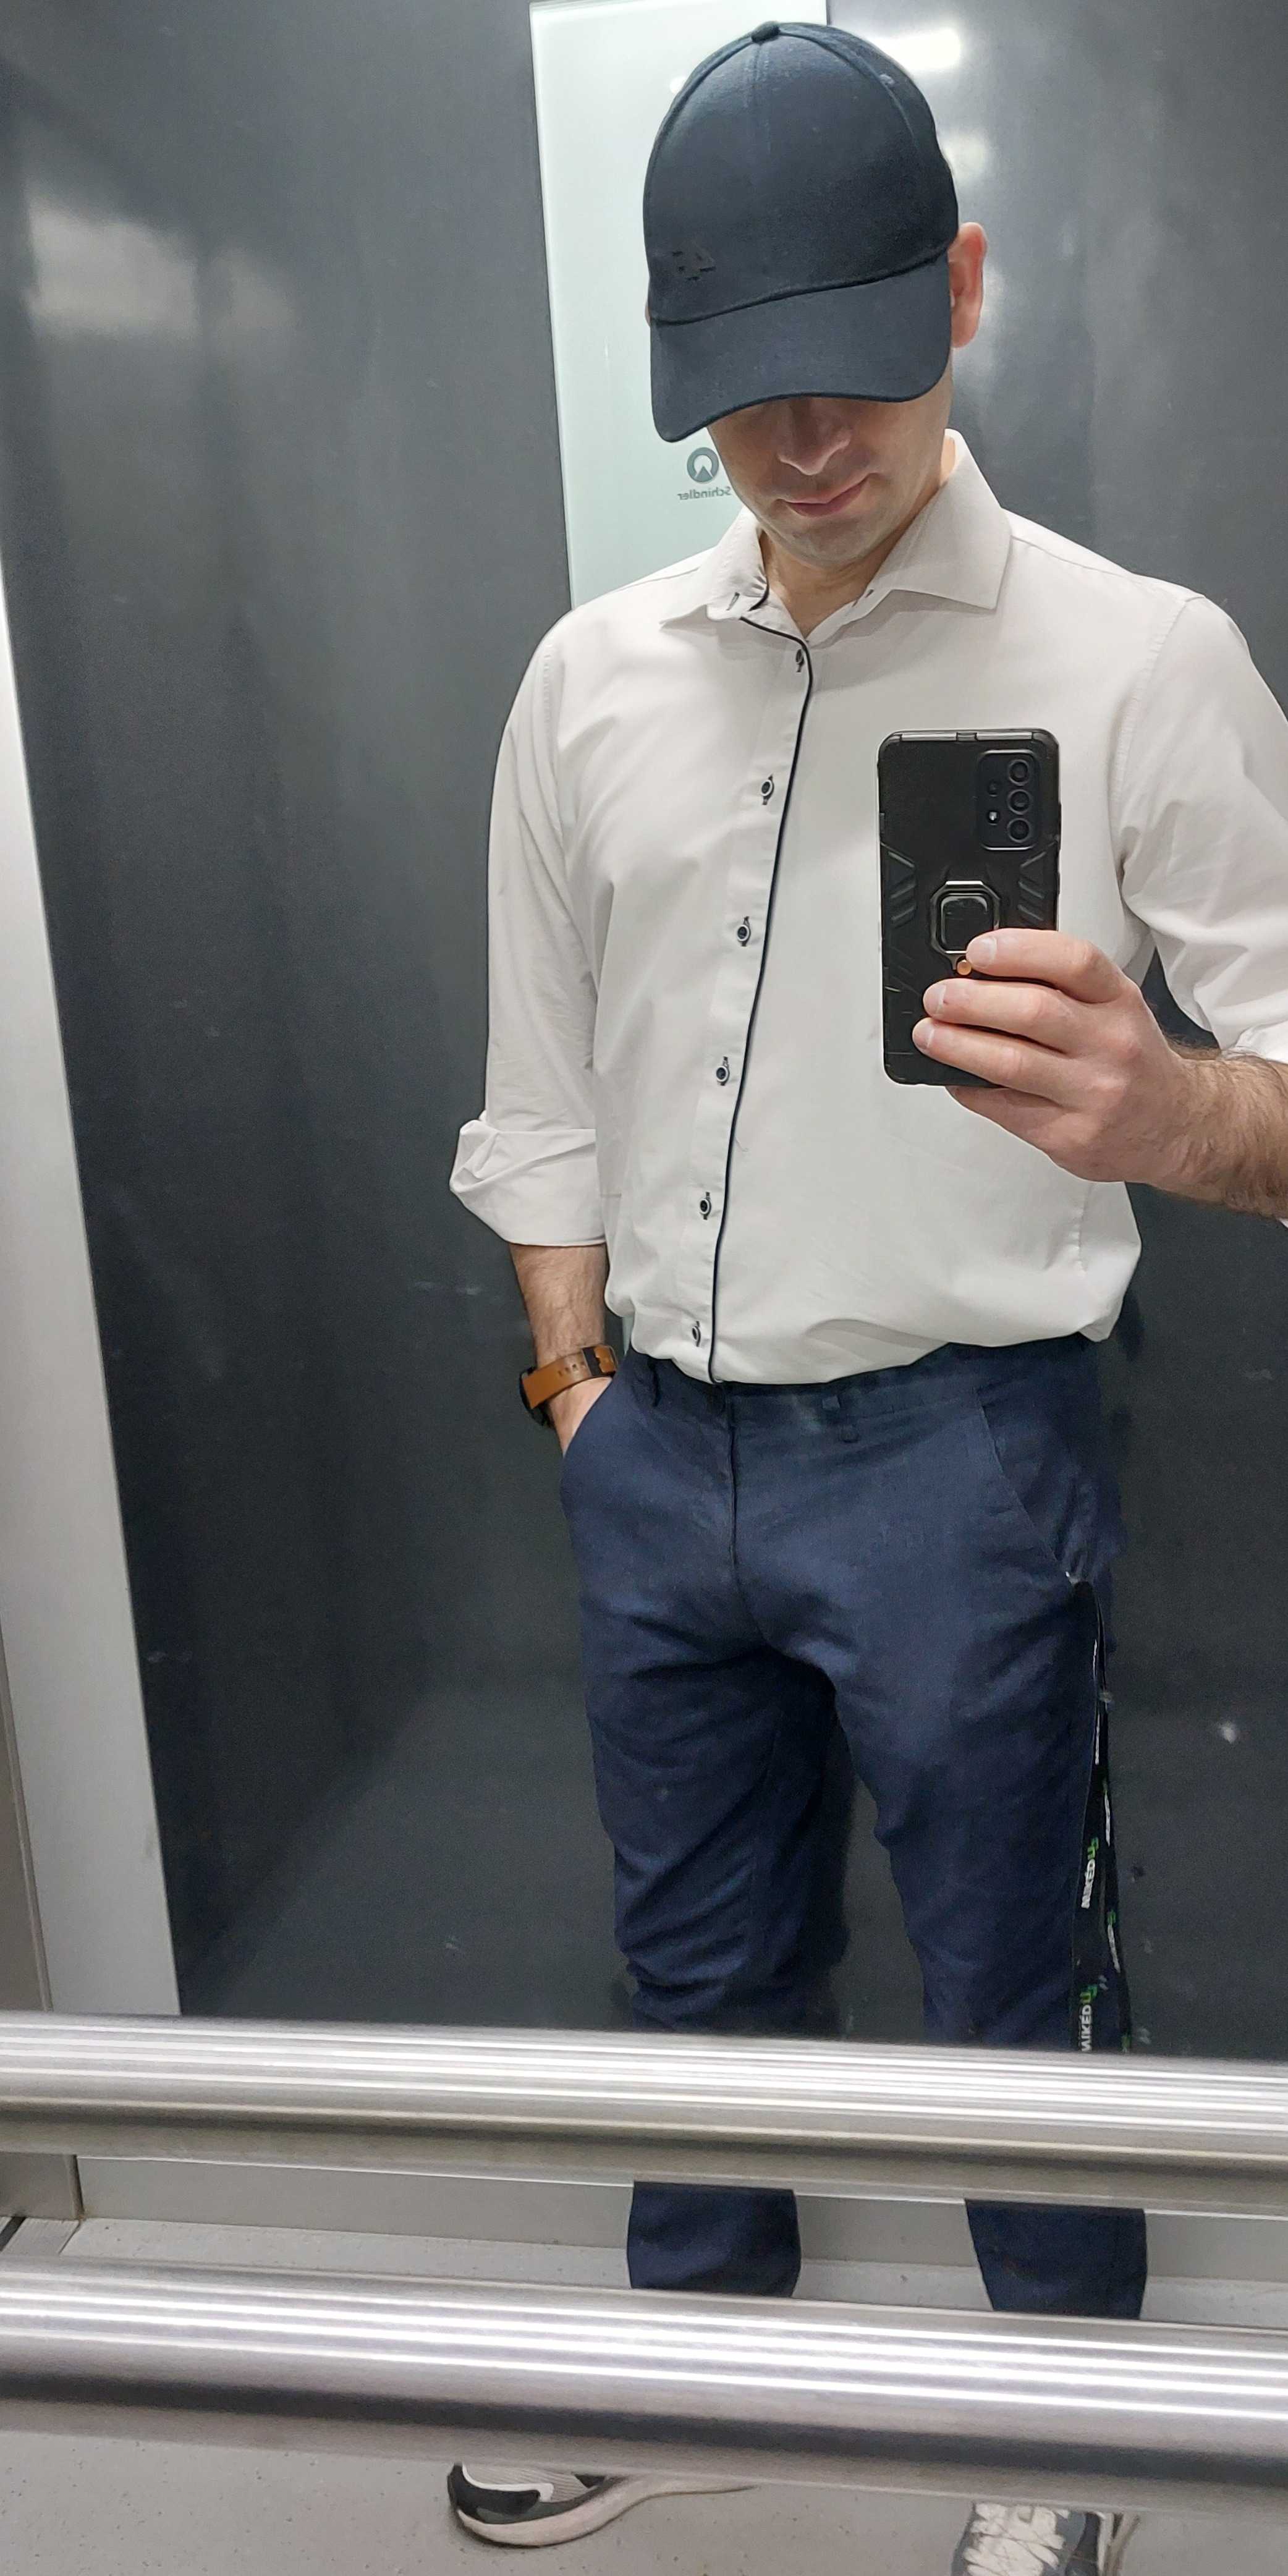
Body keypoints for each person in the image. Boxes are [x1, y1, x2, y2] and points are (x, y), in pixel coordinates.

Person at [449, 22, 1288, 2570]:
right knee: (692, 1955)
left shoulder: (1134, 659)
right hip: (650, 1445)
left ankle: (1062, 2427)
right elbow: (536, 1081)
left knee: (1014, 1981)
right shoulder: (588, 677)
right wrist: (573, 1382)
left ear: (962, 285)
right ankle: (703, 2360)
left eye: (855, 360)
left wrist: (1170, 1116)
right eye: (742, 386)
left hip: (959, 1454)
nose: (806, 439)